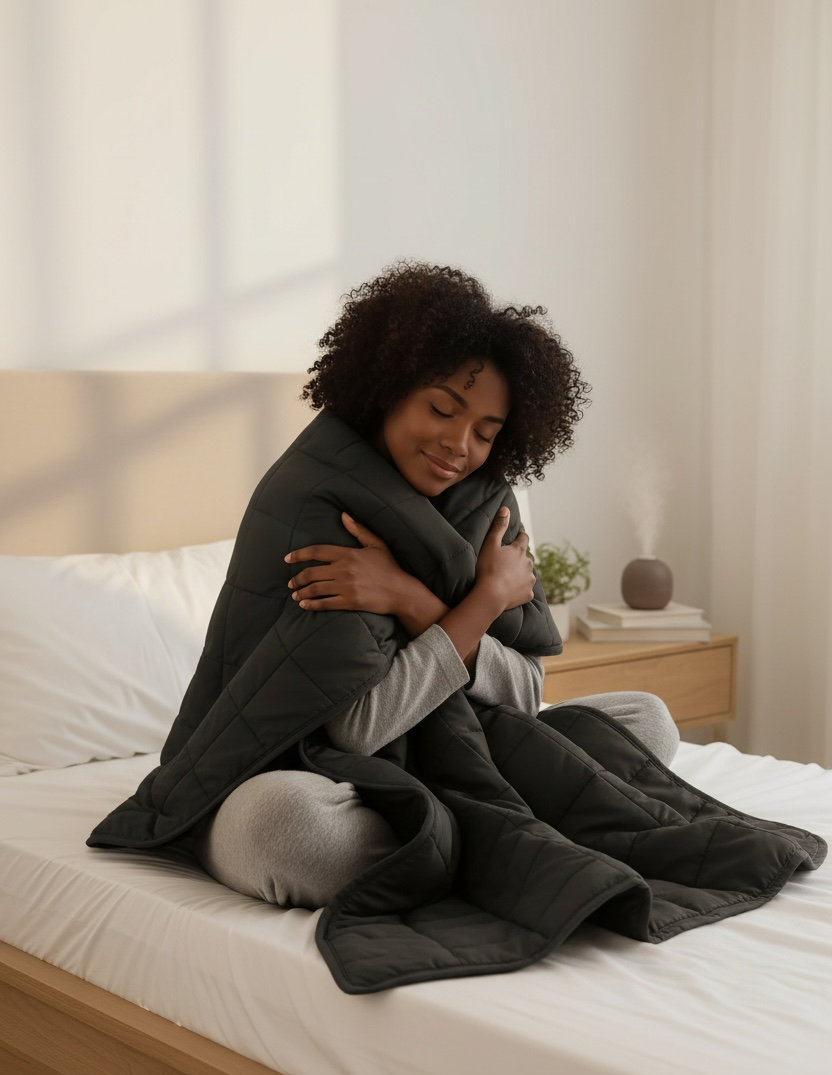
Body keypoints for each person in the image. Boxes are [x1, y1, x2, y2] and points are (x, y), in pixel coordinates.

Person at [189, 261, 679, 909]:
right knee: (284, 828)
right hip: (307, 768)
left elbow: (526, 694)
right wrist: (482, 601)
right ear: (387, 389)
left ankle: (457, 840)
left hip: (456, 749)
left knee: (648, 720)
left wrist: (412, 599)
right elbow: (360, 729)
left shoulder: (486, 505)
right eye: (442, 409)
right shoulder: (320, 502)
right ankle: (485, 838)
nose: (458, 445)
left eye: (485, 432)